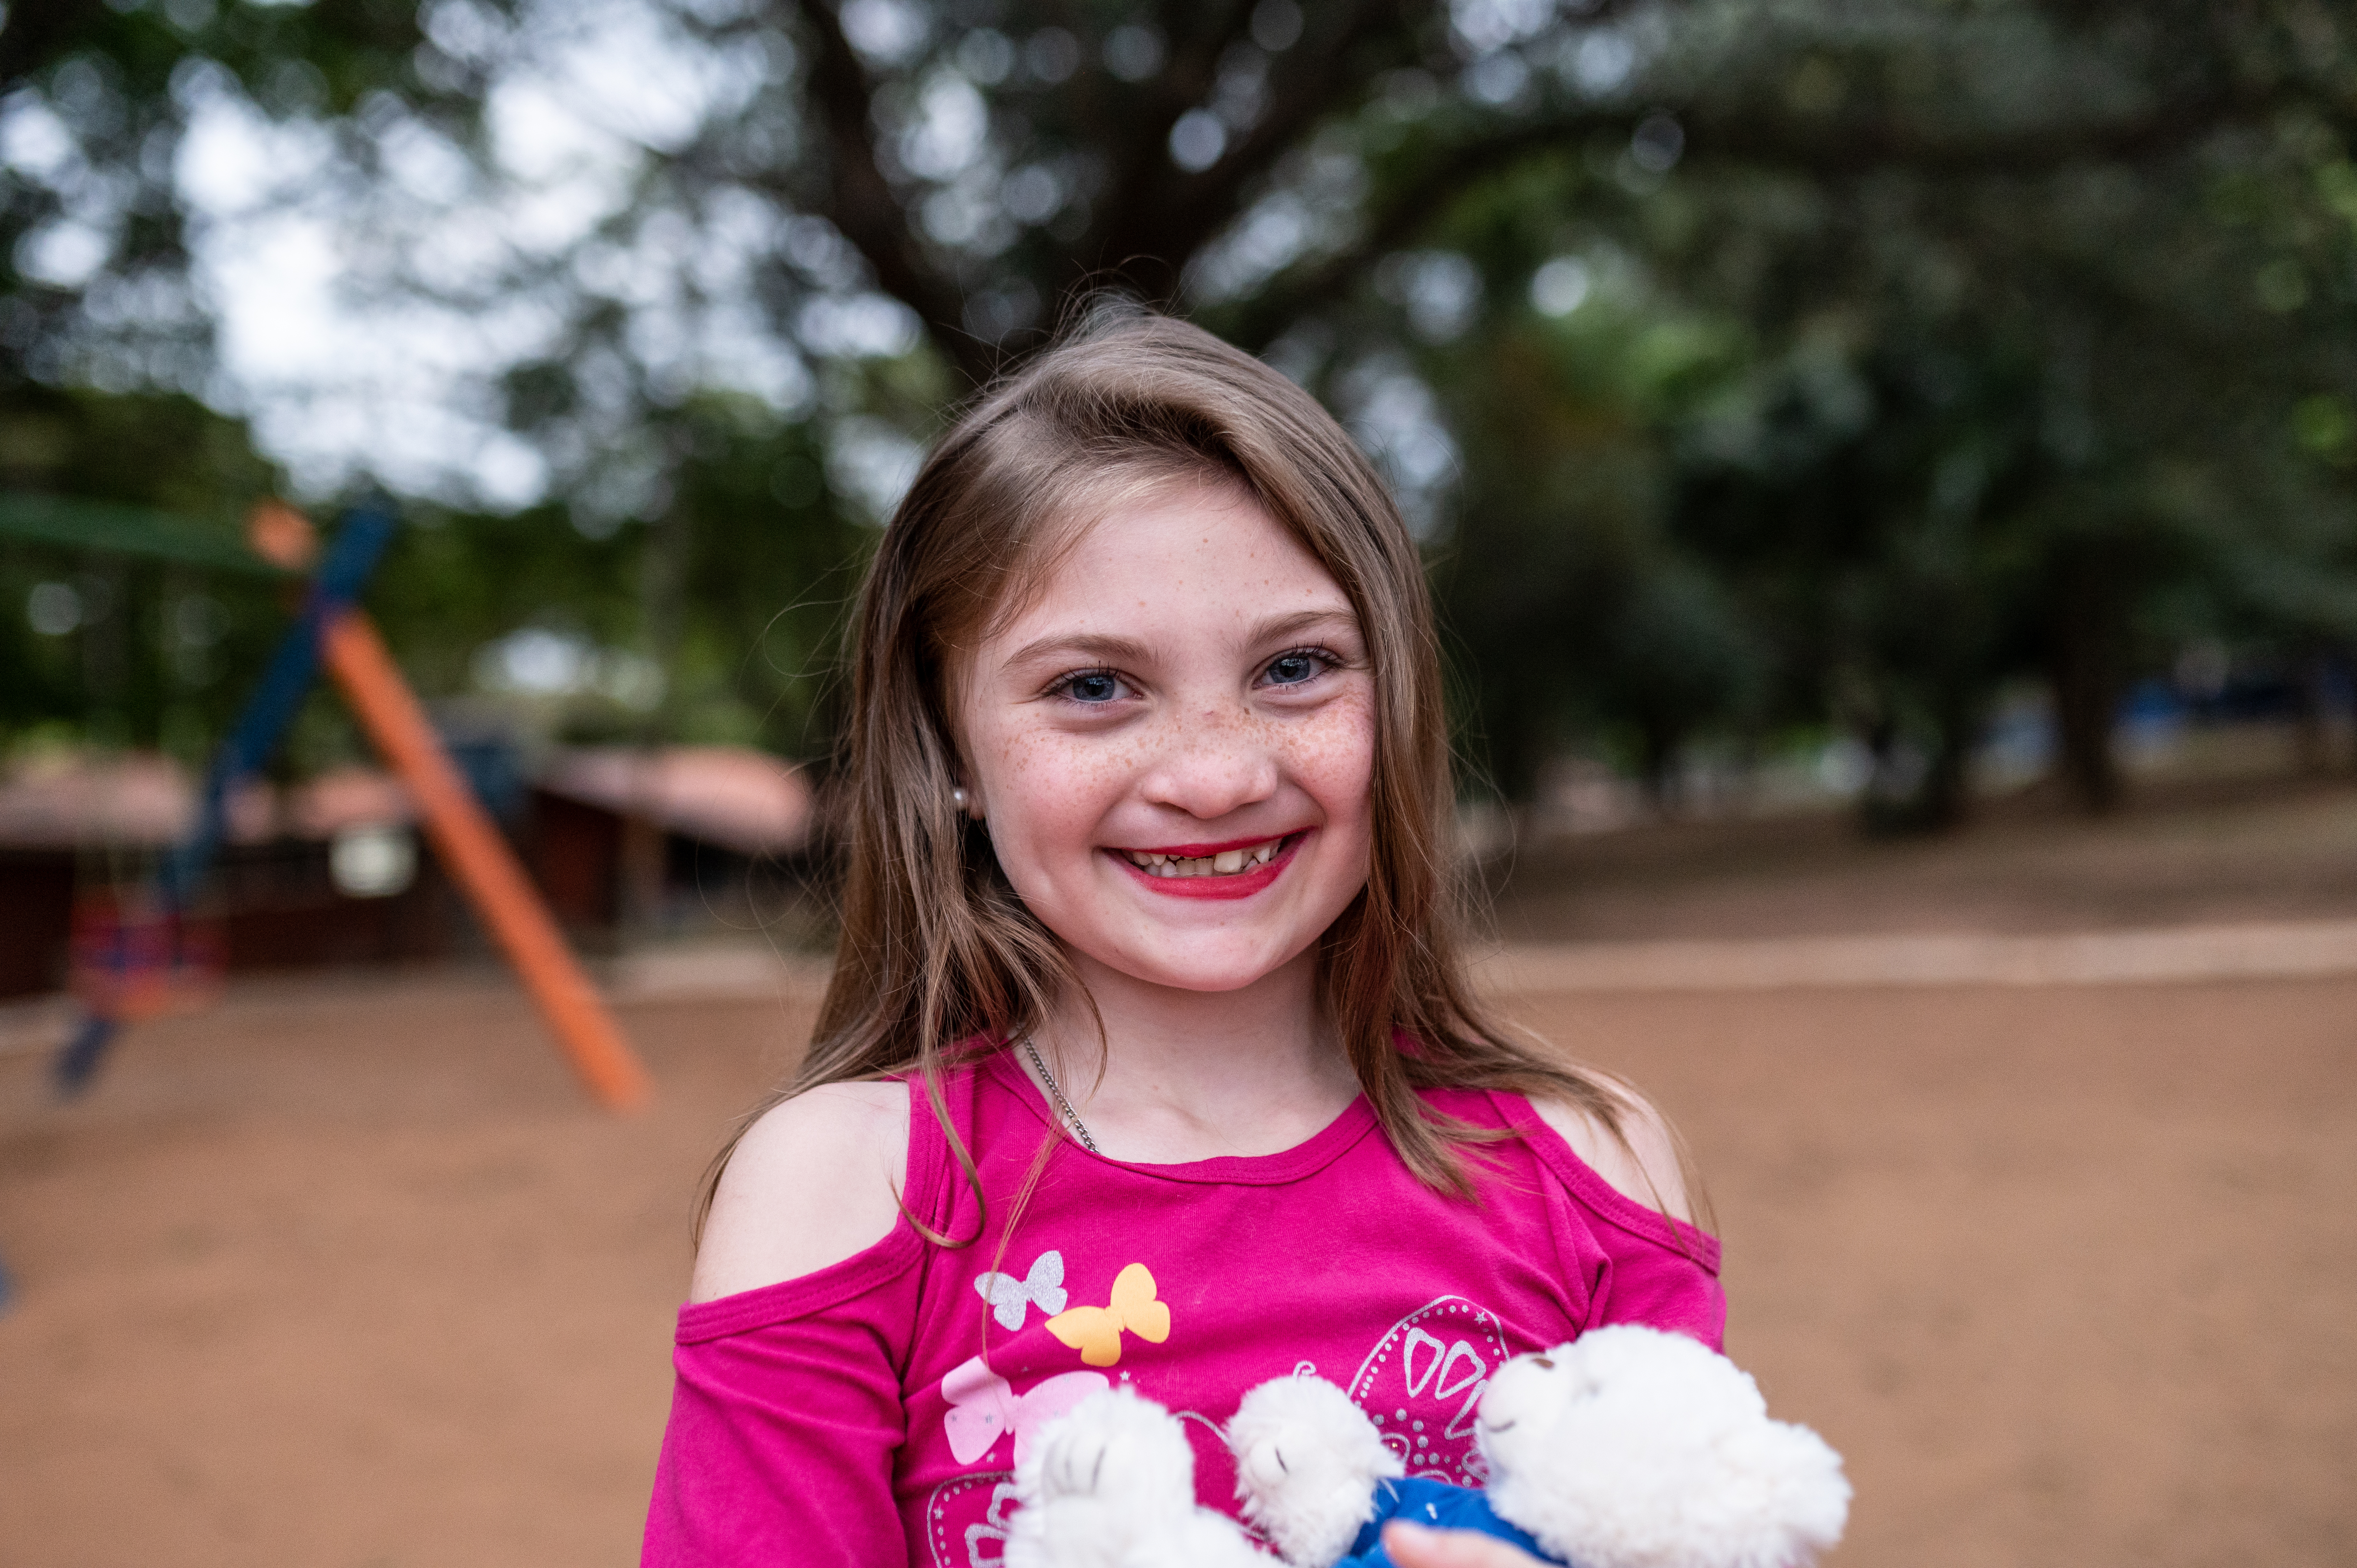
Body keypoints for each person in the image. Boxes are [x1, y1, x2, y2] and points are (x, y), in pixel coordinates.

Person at [642, 307, 1719, 1568]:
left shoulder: (1591, 1167)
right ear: (946, 753)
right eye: (1094, 687)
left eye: (1297, 668)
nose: (1213, 777)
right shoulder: (843, 1189)